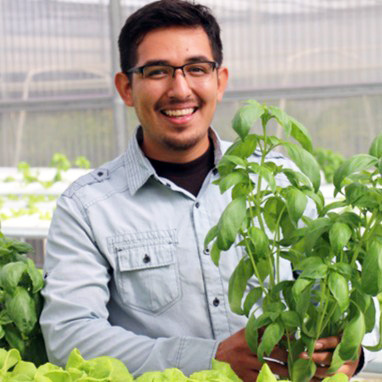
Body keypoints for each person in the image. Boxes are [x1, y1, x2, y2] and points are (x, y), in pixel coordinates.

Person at [40, 1, 366, 380]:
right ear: (126, 88)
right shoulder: (86, 207)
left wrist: (347, 351)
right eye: (157, 71)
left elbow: (334, 292)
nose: (180, 90)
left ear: (220, 81)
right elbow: (69, 337)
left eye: (196, 69)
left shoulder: (280, 181)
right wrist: (208, 358)